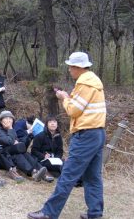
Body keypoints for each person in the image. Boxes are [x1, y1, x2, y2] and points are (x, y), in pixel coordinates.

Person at [27, 51, 107, 219]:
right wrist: (69, 97)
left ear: (78, 67)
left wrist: (64, 98)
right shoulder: (93, 82)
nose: (69, 70)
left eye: (71, 66)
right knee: (93, 176)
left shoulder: (84, 84)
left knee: (68, 175)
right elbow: (81, 105)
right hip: (97, 133)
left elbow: (73, 110)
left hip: (85, 135)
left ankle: (49, 213)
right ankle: (95, 213)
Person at [0, 110, 48, 182]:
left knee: (25, 153)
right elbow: (10, 141)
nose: (9, 120)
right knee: (18, 155)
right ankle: (33, 173)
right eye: (6, 118)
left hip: (10, 152)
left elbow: (16, 141)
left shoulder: (10, 130)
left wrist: (26, 137)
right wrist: (10, 129)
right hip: (3, 158)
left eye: (10, 118)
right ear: (1, 121)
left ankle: (40, 170)